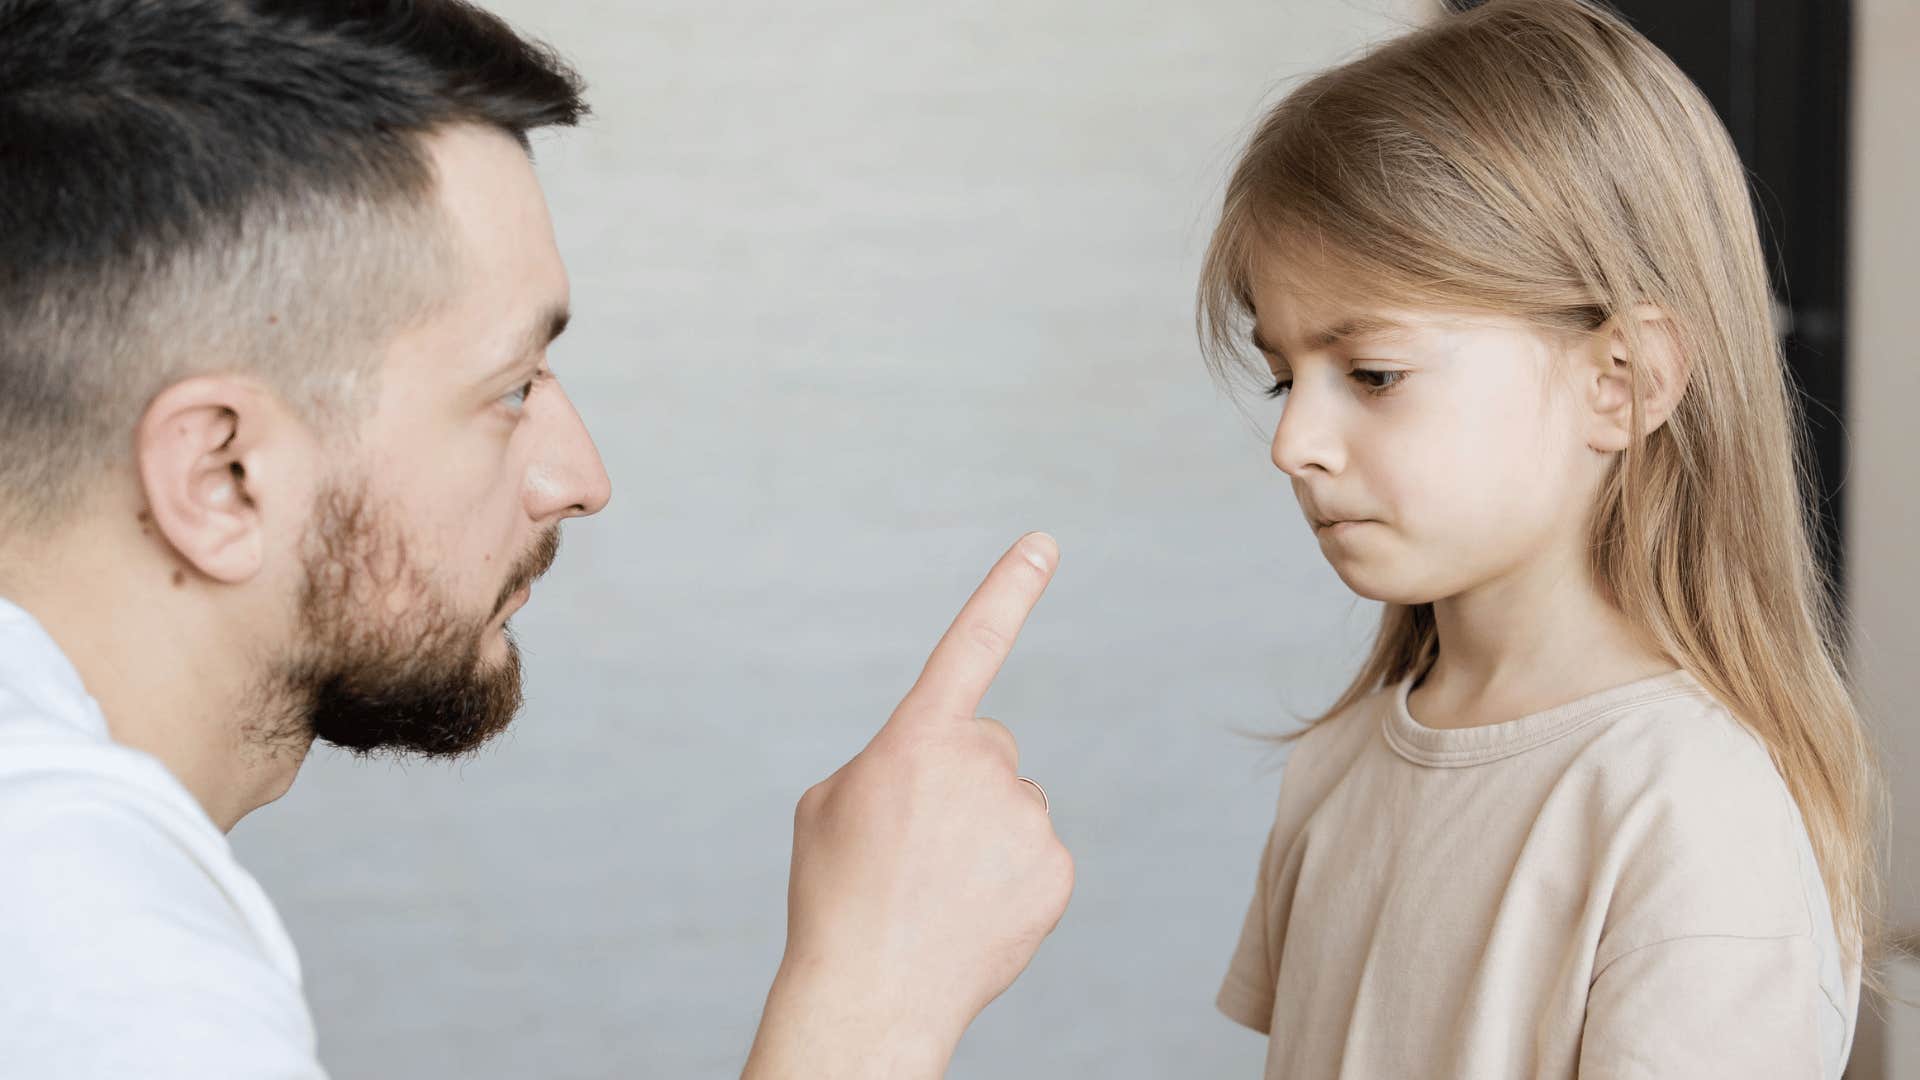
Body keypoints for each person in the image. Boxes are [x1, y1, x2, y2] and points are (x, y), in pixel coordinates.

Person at [0, 2, 1068, 1077]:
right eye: (512, 388)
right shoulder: (86, 951)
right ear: (220, 479)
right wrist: (877, 994)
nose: (580, 480)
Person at [1195, 1, 1884, 1077]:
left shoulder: (1689, 810)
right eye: (1286, 377)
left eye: (1372, 373)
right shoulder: (1336, 766)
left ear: (1623, 382)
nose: (1294, 442)